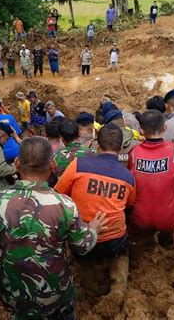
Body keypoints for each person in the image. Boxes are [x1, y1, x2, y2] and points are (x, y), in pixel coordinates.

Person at [0, 137, 107, 319]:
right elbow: (83, 246)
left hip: (15, 294)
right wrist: (94, 230)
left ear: (17, 164)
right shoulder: (65, 204)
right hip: (56, 294)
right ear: (52, 166)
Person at [55, 124, 136, 298]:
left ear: (97, 145)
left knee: (85, 259)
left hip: (84, 236)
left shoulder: (78, 164)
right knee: (121, 253)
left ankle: (90, 288)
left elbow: (59, 193)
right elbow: (130, 205)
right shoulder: (128, 176)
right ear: (121, 147)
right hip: (115, 238)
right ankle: (118, 288)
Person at [128, 110, 174, 235]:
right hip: (170, 219)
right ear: (165, 128)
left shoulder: (133, 153)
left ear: (141, 131)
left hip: (140, 219)